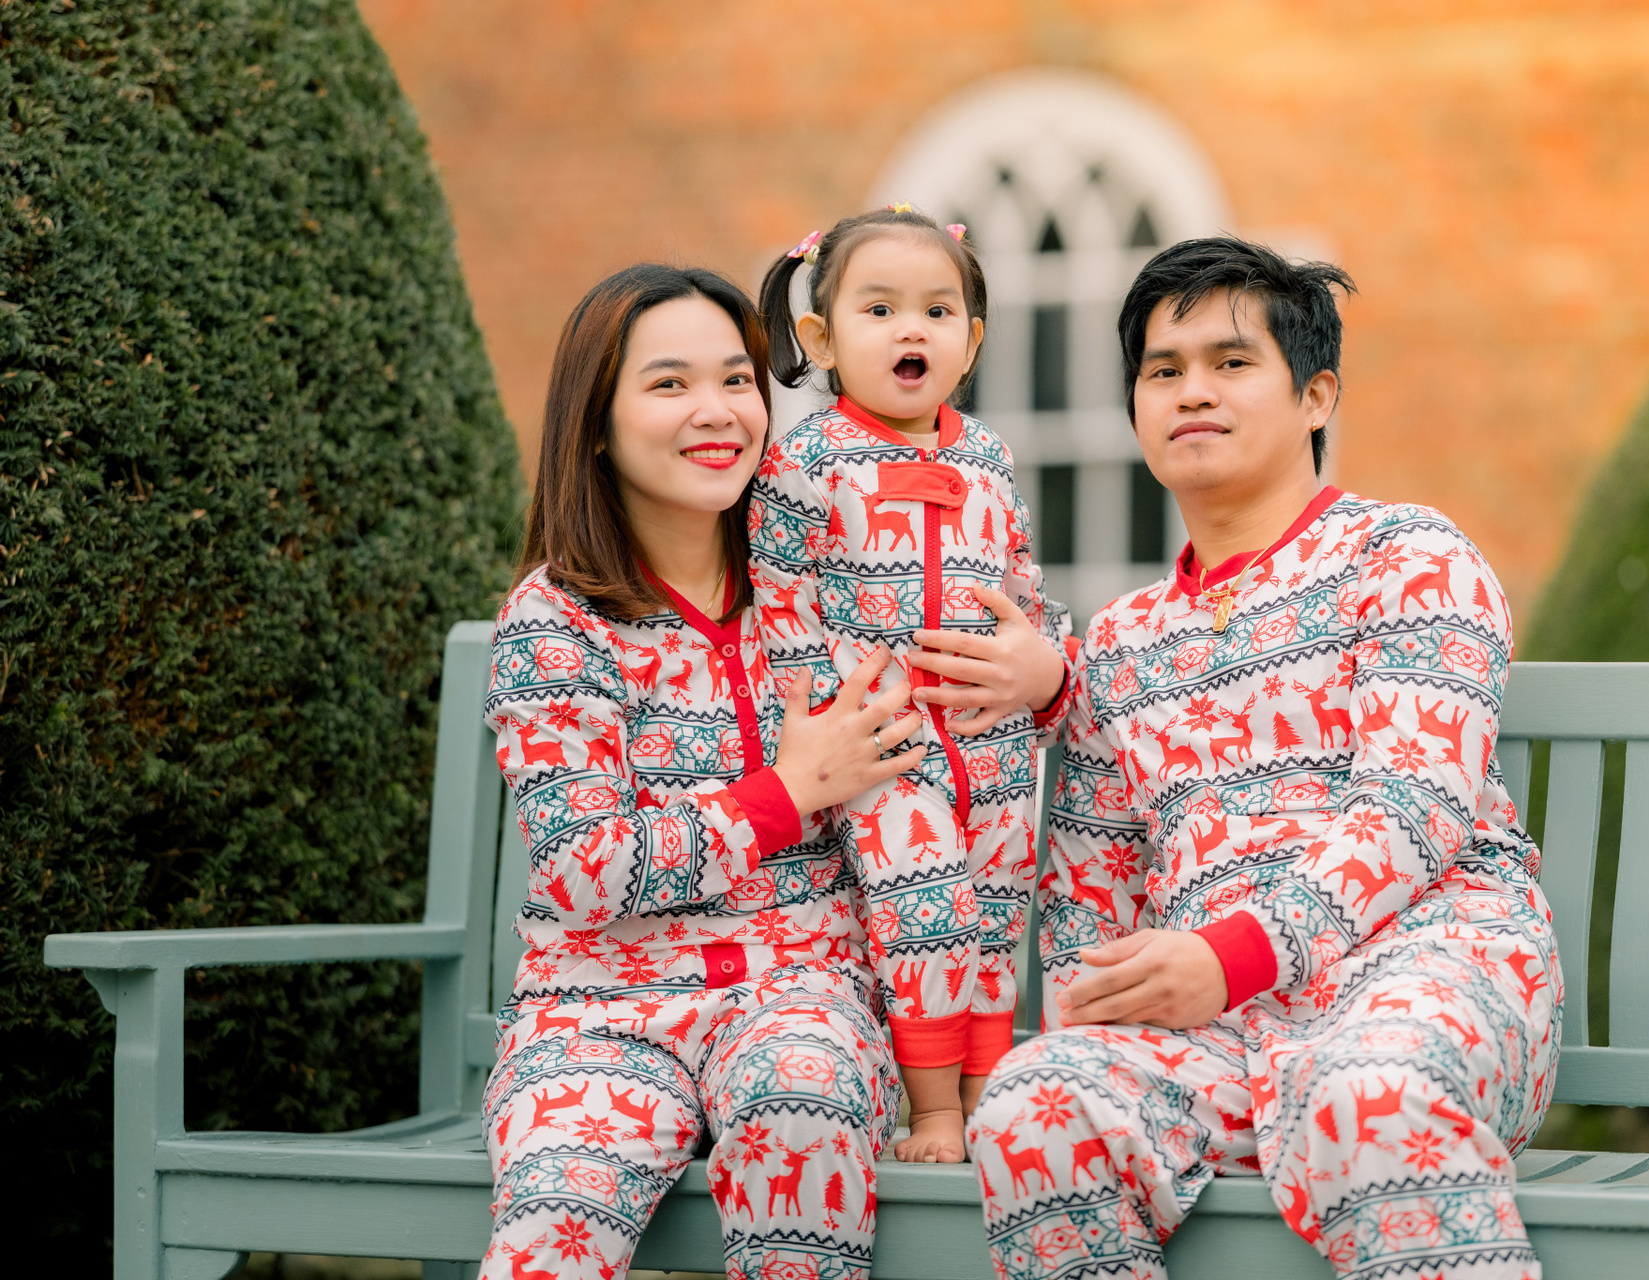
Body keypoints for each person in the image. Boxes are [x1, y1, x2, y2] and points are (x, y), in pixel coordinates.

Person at [967, 238, 1562, 1280]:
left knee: (1369, 1098)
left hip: (1424, 973)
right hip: (1218, 1031)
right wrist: (1090, 1021)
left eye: (1231, 362)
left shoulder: (1409, 557)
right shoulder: (1122, 640)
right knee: (1036, 1106)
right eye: (1163, 370)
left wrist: (1230, 956)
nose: (1192, 390)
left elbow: (1415, 807)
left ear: (1316, 395)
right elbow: (1091, 896)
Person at [481, 263, 929, 1280]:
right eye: (669, 383)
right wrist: (787, 793)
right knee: (553, 1226)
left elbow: (965, 691)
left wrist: (1040, 675)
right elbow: (585, 869)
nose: (717, 410)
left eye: (736, 379)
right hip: (596, 1017)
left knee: (802, 1108)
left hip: (800, 995)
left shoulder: (819, 588)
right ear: (597, 423)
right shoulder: (555, 622)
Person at [752, 206, 1074, 1163]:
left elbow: (1022, 582)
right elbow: (780, 596)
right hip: (888, 745)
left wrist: (1034, 660)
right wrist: (826, 711)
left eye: (938, 312)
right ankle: (932, 1110)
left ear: (970, 342)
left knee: (994, 915)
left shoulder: (987, 457)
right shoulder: (805, 460)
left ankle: (987, 1096)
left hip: (993, 744)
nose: (912, 330)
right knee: (923, 910)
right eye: (881, 308)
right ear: (822, 339)